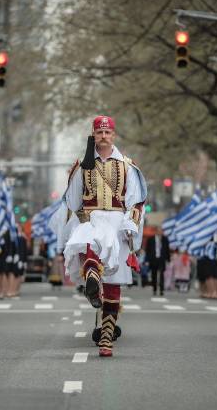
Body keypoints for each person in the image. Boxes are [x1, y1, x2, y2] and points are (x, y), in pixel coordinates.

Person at [61, 115, 147, 357]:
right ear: (93, 134)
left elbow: (136, 201)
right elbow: (73, 201)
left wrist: (131, 223)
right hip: (92, 219)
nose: (104, 136)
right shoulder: (83, 164)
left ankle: (106, 336)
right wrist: (72, 178)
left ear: (114, 135)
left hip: (118, 223)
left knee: (113, 282)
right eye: (99, 132)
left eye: (108, 133)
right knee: (89, 245)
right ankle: (91, 278)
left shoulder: (127, 166)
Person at [145, 227, 170, 296]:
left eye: (161, 231)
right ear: (156, 232)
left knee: (162, 274)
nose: (160, 232)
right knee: (154, 275)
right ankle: (155, 289)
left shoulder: (165, 239)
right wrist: (147, 260)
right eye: (158, 231)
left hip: (161, 259)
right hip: (153, 259)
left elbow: (167, 250)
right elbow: (147, 250)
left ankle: (161, 290)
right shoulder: (151, 239)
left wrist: (168, 259)